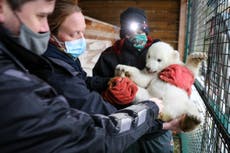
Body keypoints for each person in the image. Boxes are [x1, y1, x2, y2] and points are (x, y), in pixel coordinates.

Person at [0, 0, 181, 153]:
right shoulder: (108, 55)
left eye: (83, 32)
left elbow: (83, 82)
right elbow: (90, 115)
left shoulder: (160, 48)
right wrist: (149, 116)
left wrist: (107, 83)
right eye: (41, 16)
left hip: (142, 121)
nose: (44, 28)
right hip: (129, 124)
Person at [93, 7, 174, 153]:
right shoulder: (110, 55)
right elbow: (97, 83)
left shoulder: (159, 49)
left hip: (156, 128)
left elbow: (175, 72)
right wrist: (111, 86)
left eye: (140, 32)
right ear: (123, 32)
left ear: (146, 29)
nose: (137, 36)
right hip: (125, 128)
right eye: (130, 32)